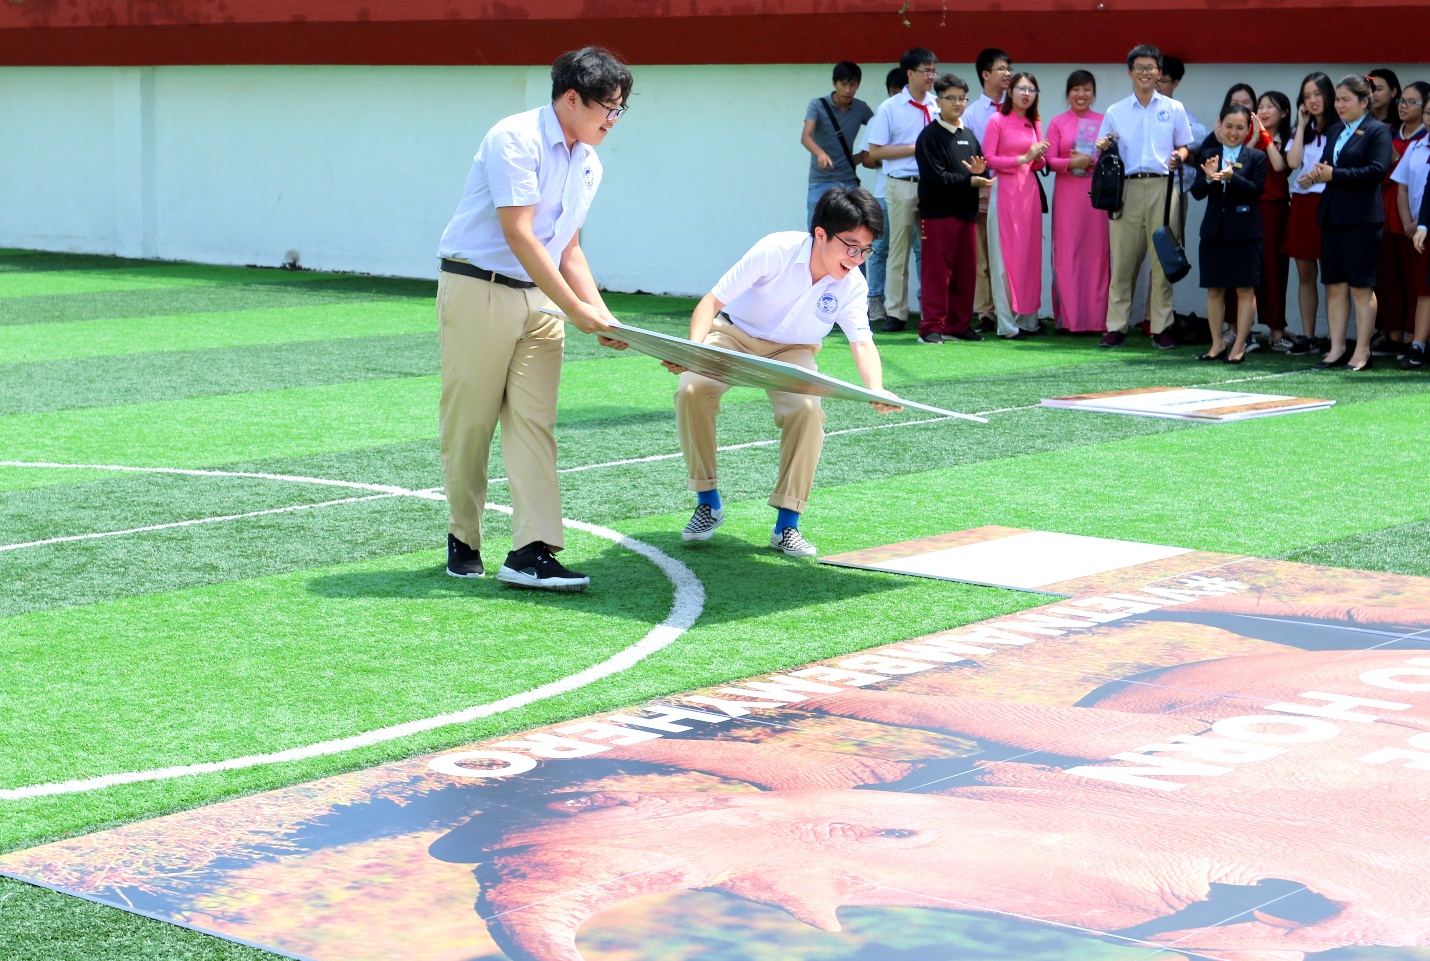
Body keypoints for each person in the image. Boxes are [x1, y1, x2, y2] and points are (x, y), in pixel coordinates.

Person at [437, 46, 632, 592]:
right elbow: (519, 232)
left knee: (534, 424)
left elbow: (568, 247)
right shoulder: (514, 138)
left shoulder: (589, 162)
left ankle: (531, 550)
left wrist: (602, 314)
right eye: (607, 108)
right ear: (571, 99)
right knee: (470, 422)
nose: (612, 121)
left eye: (619, 110)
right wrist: (576, 309)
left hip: (541, 301)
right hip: (479, 286)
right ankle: (464, 537)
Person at [668, 186, 901, 557]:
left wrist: (877, 389)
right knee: (692, 389)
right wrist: (693, 352)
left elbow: (862, 341)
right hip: (733, 334)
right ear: (821, 234)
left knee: (808, 411)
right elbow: (711, 302)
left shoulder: (853, 284)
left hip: (794, 351)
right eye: (851, 246)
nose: (857, 258)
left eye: (866, 249)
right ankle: (707, 500)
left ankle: (786, 525)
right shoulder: (774, 250)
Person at [1094, 44, 1193, 349]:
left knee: (1162, 259)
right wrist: (1102, 145)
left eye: (1151, 68)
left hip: (1164, 186)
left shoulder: (1173, 109)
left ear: (1158, 72)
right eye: (1140, 68)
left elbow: (1185, 146)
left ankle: (1161, 326)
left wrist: (1179, 156)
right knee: (1123, 259)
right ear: (1130, 72)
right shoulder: (1115, 110)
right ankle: (1116, 326)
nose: (1146, 73)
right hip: (1127, 188)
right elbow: (1104, 147)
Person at [1302, 74, 1393, 371]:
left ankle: (1362, 350)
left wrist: (1334, 175)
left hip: (1363, 220)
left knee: (1361, 287)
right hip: (1333, 216)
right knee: (1334, 285)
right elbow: (1331, 167)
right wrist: (1315, 174)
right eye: (1337, 99)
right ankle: (1336, 347)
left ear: (1364, 102)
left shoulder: (1377, 130)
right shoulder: (1335, 130)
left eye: (1345, 100)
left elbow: (1376, 171)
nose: (1339, 105)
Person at [866, 47, 940, 333]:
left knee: (930, 251)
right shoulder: (891, 108)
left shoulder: (937, 106)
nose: (931, 76)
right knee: (899, 248)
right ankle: (896, 312)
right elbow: (875, 152)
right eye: (926, 71)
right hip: (902, 184)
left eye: (934, 71)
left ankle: (930, 310)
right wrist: (916, 148)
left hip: (932, 186)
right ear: (910, 73)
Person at [914, 73, 991, 344]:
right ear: (939, 101)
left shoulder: (968, 135)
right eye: (951, 98)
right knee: (937, 273)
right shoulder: (929, 136)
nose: (958, 103)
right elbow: (937, 177)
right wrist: (971, 180)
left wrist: (981, 173)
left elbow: (982, 168)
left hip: (966, 213)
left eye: (962, 98)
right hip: (937, 213)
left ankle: (959, 325)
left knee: (966, 272)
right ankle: (931, 328)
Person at [1190, 104, 1268, 363]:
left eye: (1240, 128)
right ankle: (1216, 344)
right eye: (1229, 127)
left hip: (1246, 232)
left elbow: (1257, 191)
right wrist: (1210, 178)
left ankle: (1239, 346)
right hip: (1214, 231)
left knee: (1245, 290)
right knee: (1214, 289)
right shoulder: (1209, 154)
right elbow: (1197, 192)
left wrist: (1233, 178)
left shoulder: (1256, 157)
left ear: (1248, 130)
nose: (1233, 133)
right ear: (1219, 126)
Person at [984, 71, 1048, 338]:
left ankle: (1028, 321)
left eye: (1031, 90)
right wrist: (1024, 158)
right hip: (1005, 191)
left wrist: (1039, 157)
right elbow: (989, 159)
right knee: (1003, 259)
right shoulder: (997, 120)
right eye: (1021, 88)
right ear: (1010, 92)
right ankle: (1007, 325)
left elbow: (1038, 164)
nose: (1026, 93)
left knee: (1029, 257)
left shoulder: (1034, 122)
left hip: (1029, 193)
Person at [1045, 70, 1109, 333]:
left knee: (1097, 254)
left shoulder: (1105, 121)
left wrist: (1095, 160)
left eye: (1086, 89)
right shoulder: (1058, 122)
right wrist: (1073, 162)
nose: (1081, 95)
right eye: (1075, 89)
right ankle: (1069, 320)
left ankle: (1096, 320)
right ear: (1068, 93)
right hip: (1068, 196)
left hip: (1096, 196)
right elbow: (1048, 160)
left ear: (1093, 93)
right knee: (1068, 254)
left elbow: (1114, 158)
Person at [1284, 72, 1336, 355]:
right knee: (1305, 272)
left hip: (1328, 202)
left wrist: (1316, 177)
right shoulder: (1301, 129)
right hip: (1302, 205)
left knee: (1332, 275)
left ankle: (1333, 334)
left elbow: (1337, 166)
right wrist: (1302, 126)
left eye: (1318, 94)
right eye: (1307, 96)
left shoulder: (1340, 129)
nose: (1313, 100)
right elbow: (1292, 162)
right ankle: (1308, 335)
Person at [1374, 76, 1427, 353]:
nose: (1403, 106)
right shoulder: (1388, 134)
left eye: (1411, 101)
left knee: (1415, 281)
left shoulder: (1422, 140)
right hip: (1385, 214)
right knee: (1387, 277)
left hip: (1416, 220)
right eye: (1402, 101)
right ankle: (1392, 334)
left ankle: (1413, 336)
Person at [965, 48, 1013, 333]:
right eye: (1001, 69)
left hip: (1014, 191)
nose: (1007, 74)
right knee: (983, 254)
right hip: (984, 188)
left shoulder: (1018, 107)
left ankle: (1015, 309)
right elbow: (971, 154)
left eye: (1009, 69)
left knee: (1011, 254)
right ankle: (986, 312)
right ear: (985, 74)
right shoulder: (972, 114)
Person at [862, 68, 910, 324]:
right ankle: (876, 301)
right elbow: (867, 157)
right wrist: (888, 155)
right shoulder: (882, 114)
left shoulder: (920, 113)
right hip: (884, 192)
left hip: (914, 189)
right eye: (894, 92)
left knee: (919, 250)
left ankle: (924, 302)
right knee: (879, 248)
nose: (899, 96)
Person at [802, 62, 874, 229]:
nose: (848, 90)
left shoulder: (860, 108)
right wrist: (820, 153)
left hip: (848, 180)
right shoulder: (817, 105)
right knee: (817, 231)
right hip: (820, 180)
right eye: (843, 84)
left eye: (853, 84)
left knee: (852, 230)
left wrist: (864, 156)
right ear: (835, 84)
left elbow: (879, 130)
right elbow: (806, 137)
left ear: (858, 85)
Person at [1393, 81, 1430, 368]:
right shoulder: (1417, 146)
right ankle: (1418, 344)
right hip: (1419, 231)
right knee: (1422, 288)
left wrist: (1424, 221)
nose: (1429, 118)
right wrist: (1410, 223)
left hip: (1425, 225)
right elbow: (1402, 187)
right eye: (1428, 113)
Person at [1256, 91, 1295, 350]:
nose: (1264, 111)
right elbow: (1236, 160)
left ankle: (1277, 330)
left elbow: (1281, 166)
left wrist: (1266, 137)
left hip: (1275, 210)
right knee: (1246, 269)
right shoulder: (1248, 135)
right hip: (1249, 207)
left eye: (1271, 107)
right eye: (1261, 106)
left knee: (1274, 269)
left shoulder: (1288, 140)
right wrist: (1252, 135)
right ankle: (1238, 328)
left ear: (1283, 113)